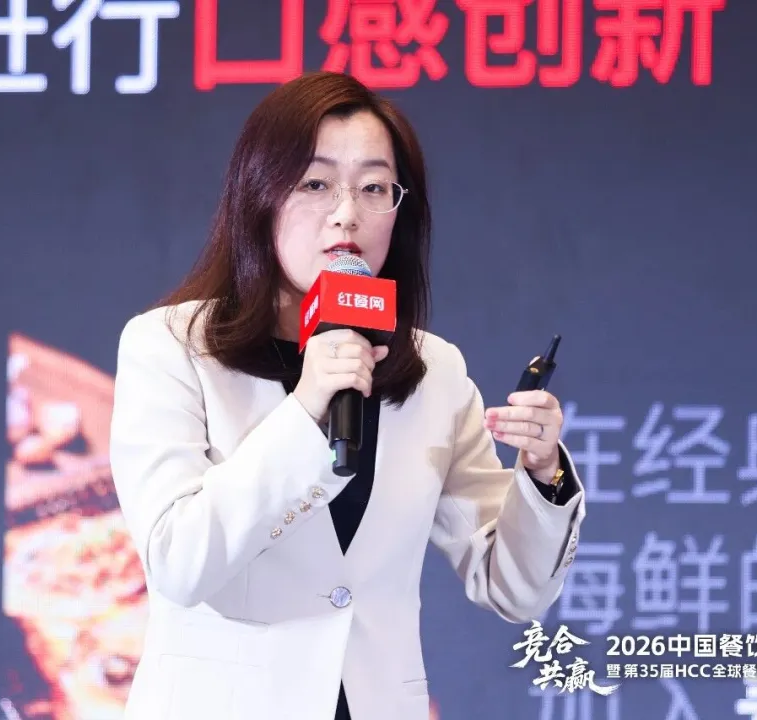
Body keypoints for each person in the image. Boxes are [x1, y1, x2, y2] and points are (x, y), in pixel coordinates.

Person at [108, 71, 586, 720]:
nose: (346, 213)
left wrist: (543, 472)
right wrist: (307, 407)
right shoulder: (171, 346)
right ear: (259, 196)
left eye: (374, 187)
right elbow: (180, 563)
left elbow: (513, 588)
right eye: (315, 183)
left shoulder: (435, 371)